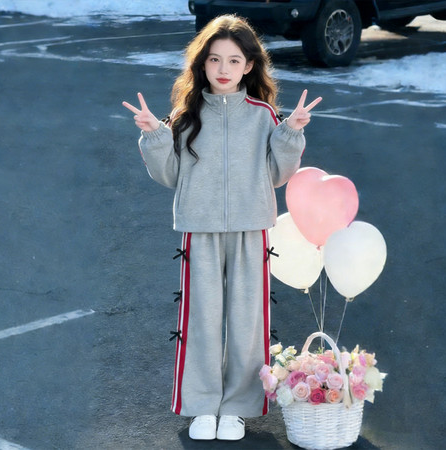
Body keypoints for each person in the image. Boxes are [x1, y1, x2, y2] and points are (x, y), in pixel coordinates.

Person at [122, 14, 322, 441]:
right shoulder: (185, 115)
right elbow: (170, 175)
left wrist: (290, 133)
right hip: (200, 230)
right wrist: (155, 135)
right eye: (215, 59)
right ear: (203, 63)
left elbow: (277, 175)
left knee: (248, 322)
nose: (224, 69)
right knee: (202, 319)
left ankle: (237, 408)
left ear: (249, 65)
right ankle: (201, 406)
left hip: (252, 230)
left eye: (234, 60)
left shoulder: (263, 116)